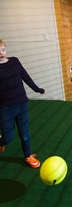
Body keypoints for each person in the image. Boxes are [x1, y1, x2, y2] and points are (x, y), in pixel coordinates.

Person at [0, 39, 45, 168]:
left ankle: (28, 156)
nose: (1, 53)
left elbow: (25, 75)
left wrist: (36, 88)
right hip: (5, 108)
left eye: (3, 49)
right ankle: (1, 141)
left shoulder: (14, 61)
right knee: (8, 138)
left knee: (24, 134)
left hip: (21, 105)